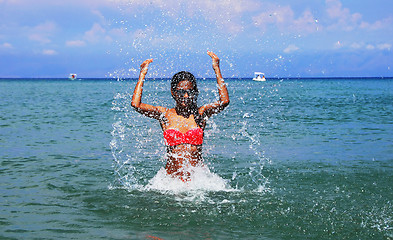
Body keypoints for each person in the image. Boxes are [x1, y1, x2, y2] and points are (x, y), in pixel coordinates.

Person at [131, 51, 229, 181]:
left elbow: (224, 101)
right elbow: (136, 105)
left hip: (198, 182)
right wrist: (142, 74)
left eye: (190, 92)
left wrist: (217, 68)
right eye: (181, 92)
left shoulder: (200, 113)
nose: (186, 96)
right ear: (173, 92)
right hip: (171, 183)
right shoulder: (165, 115)